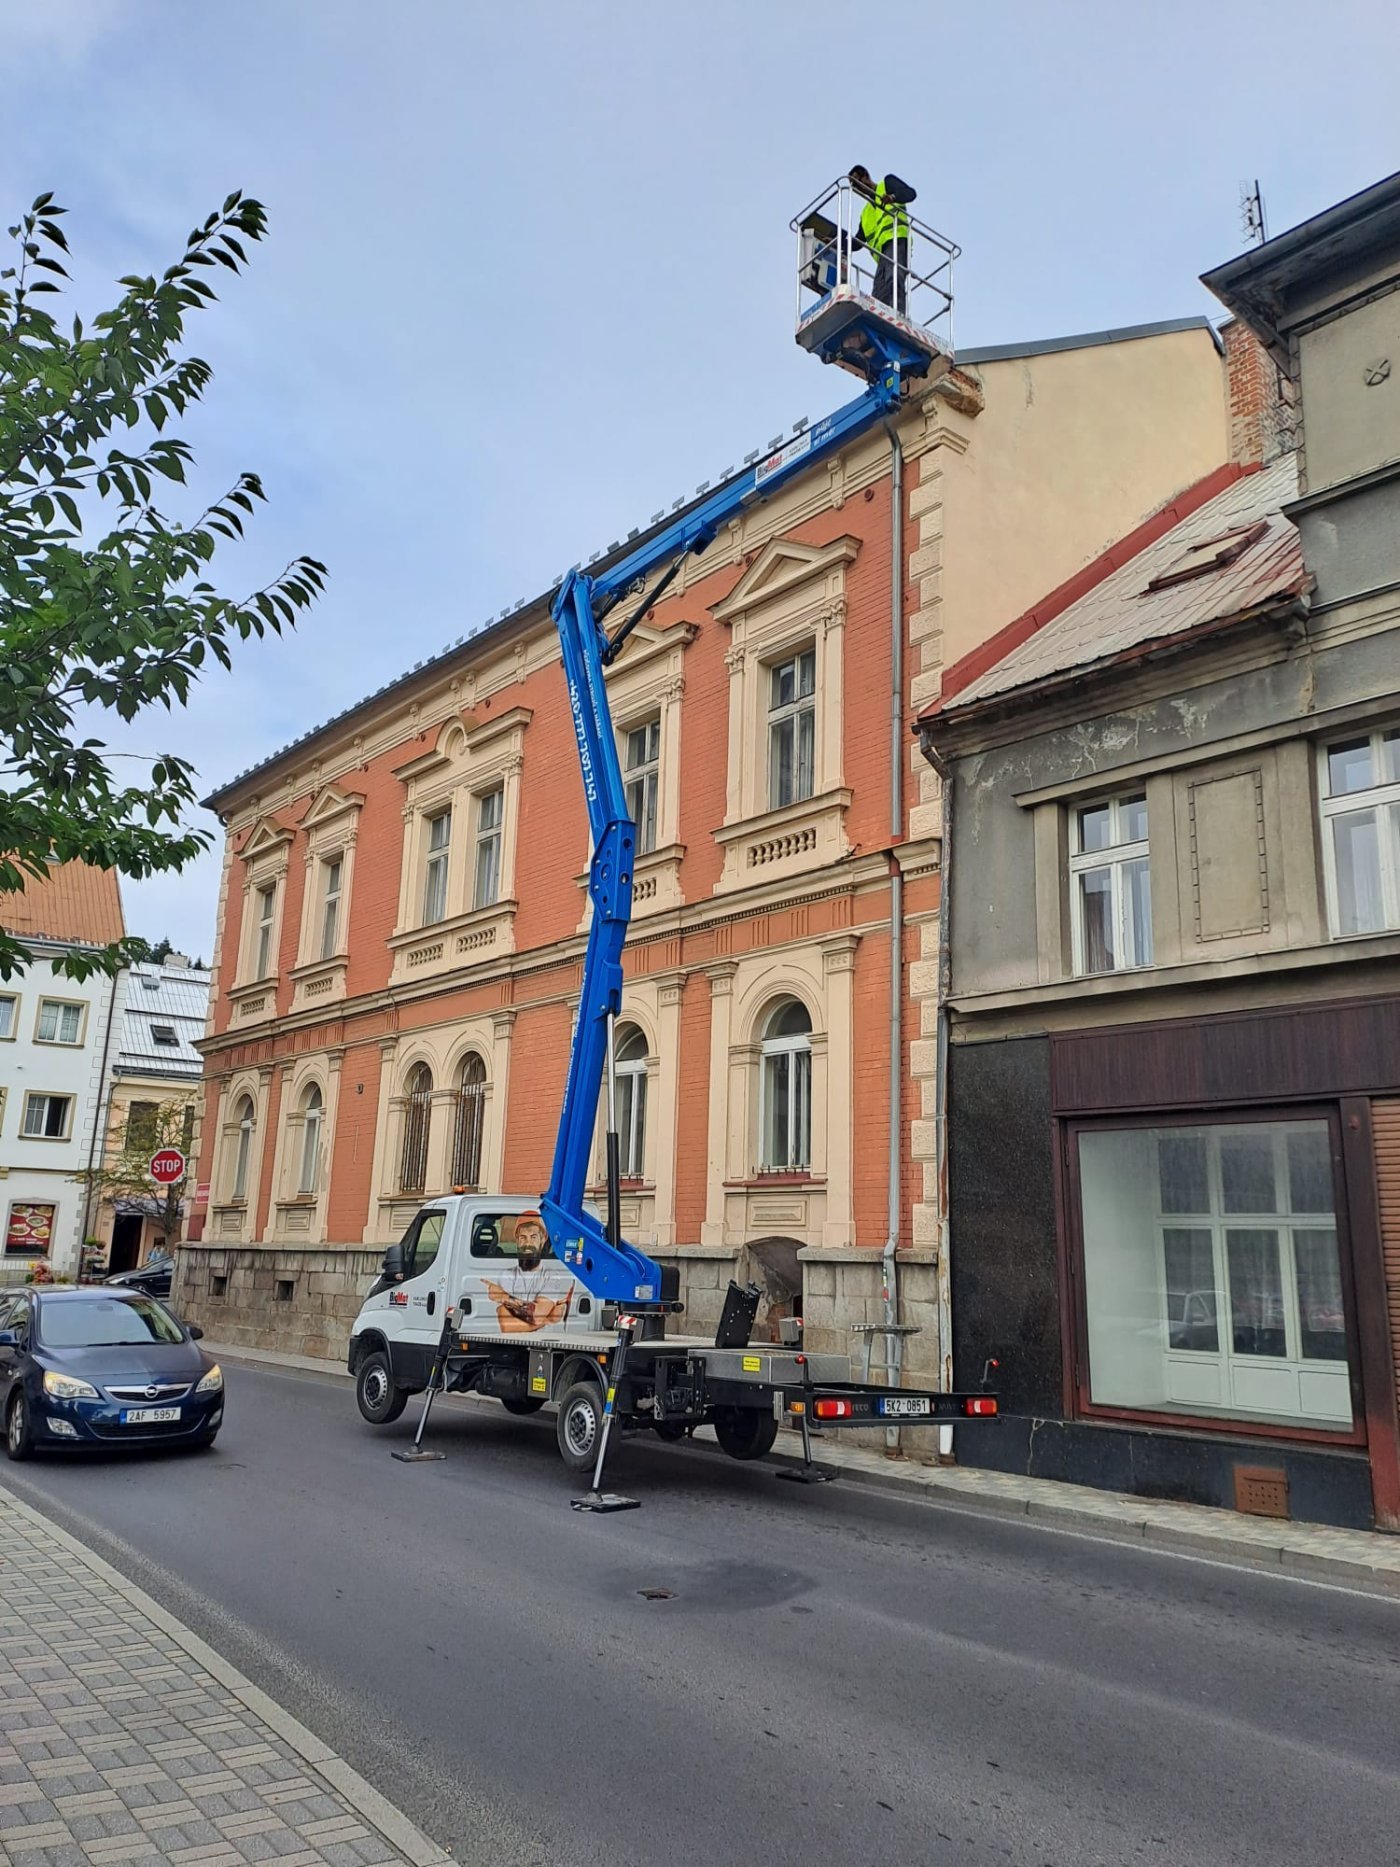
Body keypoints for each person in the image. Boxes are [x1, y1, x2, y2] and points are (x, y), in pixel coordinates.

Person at [486, 1211, 573, 1334]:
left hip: (545, 1342)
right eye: (523, 1237)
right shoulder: (506, 1275)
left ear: (543, 1240)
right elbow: (507, 1326)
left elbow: (536, 1316)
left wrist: (504, 1297)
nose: (527, 1244)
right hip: (512, 1342)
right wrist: (549, 1319)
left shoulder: (551, 1276)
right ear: (517, 1240)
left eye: (533, 1237)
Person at [849, 166, 917, 313]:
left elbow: (910, 193)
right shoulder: (866, 213)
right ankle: (881, 317)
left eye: (856, 182)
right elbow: (857, 242)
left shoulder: (886, 184)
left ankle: (898, 314)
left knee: (894, 278)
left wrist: (892, 198)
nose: (857, 188)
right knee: (878, 293)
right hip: (882, 255)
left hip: (896, 240)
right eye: (854, 187)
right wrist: (836, 241)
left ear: (865, 176)